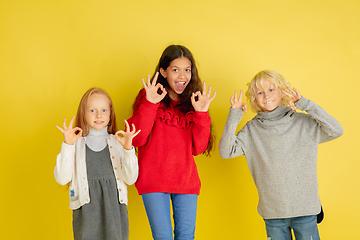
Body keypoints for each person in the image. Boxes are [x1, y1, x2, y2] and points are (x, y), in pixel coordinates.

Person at [219, 70, 343, 240]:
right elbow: (226, 152)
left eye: (271, 90)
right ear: (254, 98)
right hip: (273, 213)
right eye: (260, 92)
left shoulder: (303, 123)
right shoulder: (252, 129)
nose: (266, 95)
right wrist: (234, 116)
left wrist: (306, 105)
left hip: (305, 209)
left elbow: (336, 130)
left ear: (282, 91)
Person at [127, 45, 216, 240]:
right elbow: (138, 139)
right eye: (175, 70)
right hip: (153, 181)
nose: (182, 76)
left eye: (187, 70)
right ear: (163, 72)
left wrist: (202, 114)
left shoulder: (194, 102)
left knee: (186, 237)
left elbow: (198, 148)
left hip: (186, 181)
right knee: (163, 237)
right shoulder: (149, 97)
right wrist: (150, 103)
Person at [54, 88, 140, 240]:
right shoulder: (76, 143)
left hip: (115, 209)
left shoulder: (118, 142)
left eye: (104, 110)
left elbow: (131, 179)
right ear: (83, 113)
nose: (99, 115)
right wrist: (67, 146)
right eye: (92, 110)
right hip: (86, 210)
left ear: (110, 114)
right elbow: (61, 178)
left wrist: (128, 149)